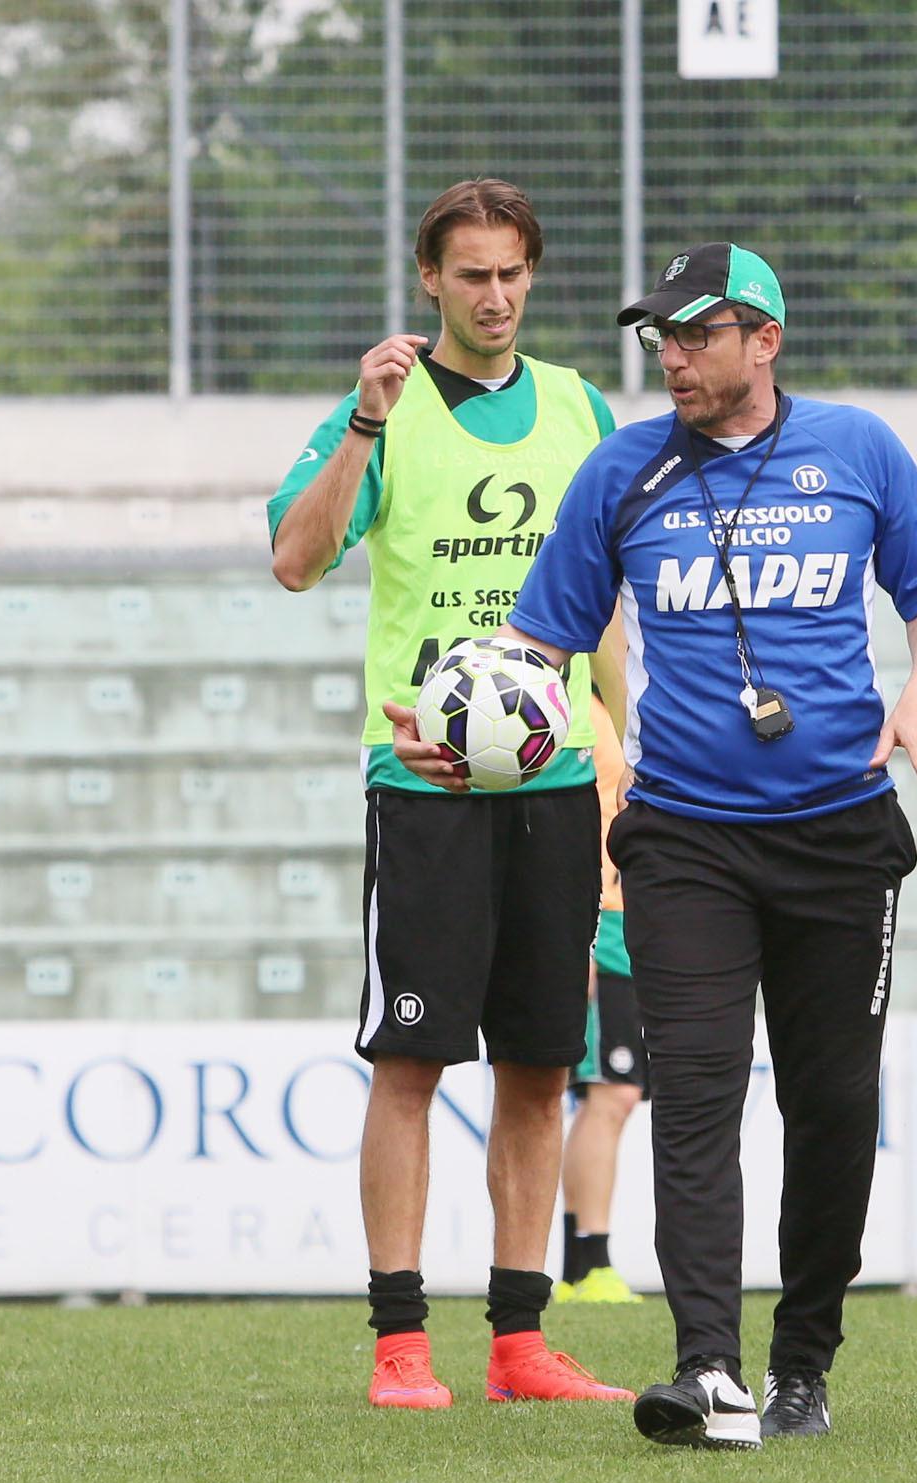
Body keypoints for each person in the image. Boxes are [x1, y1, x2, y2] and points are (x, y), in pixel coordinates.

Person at [442, 241, 917, 1449]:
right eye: (659, 336)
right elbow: (542, 643)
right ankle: (708, 1370)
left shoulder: (860, 449)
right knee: (691, 1094)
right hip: (682, 837)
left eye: (696, 333)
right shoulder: (619, 472)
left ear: (764, 341)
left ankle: (803, 1365)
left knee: (833, 1105)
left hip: (841, 832)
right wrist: (465, 730)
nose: (671, 355)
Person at [266, 177, 630, 1409]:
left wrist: (625, 755)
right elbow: (294, 560)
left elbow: (611, 609)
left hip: (557, 779)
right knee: (410, 1063)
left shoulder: (582, 406)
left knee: (538, 1068)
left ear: (532, 275)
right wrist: (364, 428)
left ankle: (522, 1343)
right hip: (420, 783)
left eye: (511, 273)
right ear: (430, 279)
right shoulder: (385, 405)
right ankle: (399, 1344)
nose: (493, 296)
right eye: (469, 274)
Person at [558, 688, 648, 1307]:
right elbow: (576, 824)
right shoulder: (576, 707)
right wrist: (580, 933)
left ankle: (581, 1265)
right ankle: (587, 1262)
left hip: (633, 917)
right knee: (607, 1092)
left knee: (617, 1093)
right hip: (603, 922)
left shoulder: (619, 699)